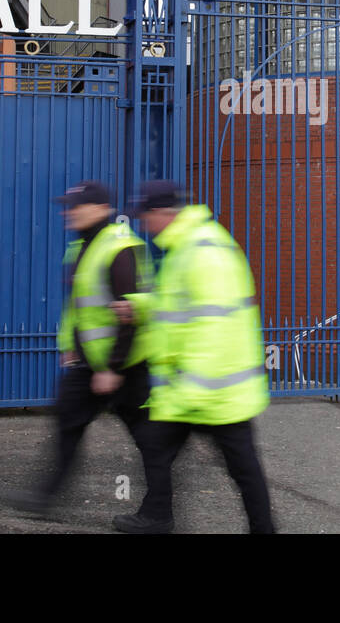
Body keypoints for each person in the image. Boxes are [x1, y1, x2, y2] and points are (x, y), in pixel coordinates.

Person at [111, 181, 275, 534]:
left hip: (212, 392)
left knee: (242, 468)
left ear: (163, 214)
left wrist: (191, 388)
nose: (144, 224)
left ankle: (263, 530)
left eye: (147, 216)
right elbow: (178, 305)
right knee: (158, 448)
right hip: (199, 390)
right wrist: (138, 305)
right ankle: (157, 516)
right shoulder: (188, 246)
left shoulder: (203, 252)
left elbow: (214, 325)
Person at [7, 180, 154, 517]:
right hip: (90, 362)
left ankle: (159, 506)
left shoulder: (120, 248)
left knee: (148, 439)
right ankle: (44, 498)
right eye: (67, 206)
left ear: (102, 209)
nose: (68, 212)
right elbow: (80, 305)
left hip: (125, 364)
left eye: (76, 206)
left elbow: (129, 313)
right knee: (67, 422)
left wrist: (113, 369)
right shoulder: (81, 246)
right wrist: (71, 345)